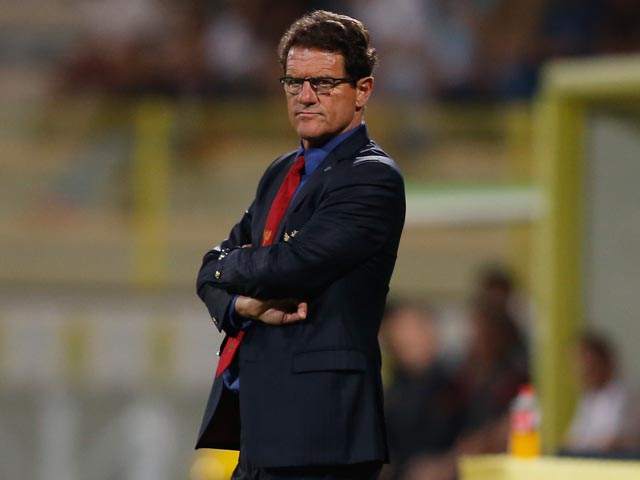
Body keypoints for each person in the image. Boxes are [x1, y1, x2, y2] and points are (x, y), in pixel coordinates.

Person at [195, 10, 406, 480]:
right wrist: (243, 305)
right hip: (261, 433)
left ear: (363, 90)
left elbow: (292, 265)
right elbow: (208, 270)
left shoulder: (372, 177)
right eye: (294, 82)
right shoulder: (280, 171)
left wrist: (230, 267)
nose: (305, 96)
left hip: (323, 435)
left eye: (324, 83)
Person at [563, 332, 640, 456]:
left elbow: (610, 442)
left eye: (587, 360)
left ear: (604, 361)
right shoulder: (588, 398)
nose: (582, 368)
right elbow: (573, 439)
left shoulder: (625, 395)